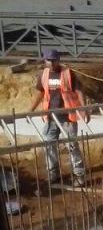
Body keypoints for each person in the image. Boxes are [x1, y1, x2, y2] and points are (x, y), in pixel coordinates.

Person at [28, 49, 89, 187]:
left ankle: (79, 175)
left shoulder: (68, 73)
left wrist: (84, 110)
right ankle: (53, 173)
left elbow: (79, 91)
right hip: (51, 117)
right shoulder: (43, 75)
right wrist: (31, 110)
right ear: (45, 61)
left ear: (58, 60)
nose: (50, 63)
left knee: (72, 145)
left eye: (53, 60)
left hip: (67, 117)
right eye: (48, 60)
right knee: (49, 144)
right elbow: (41, 93)